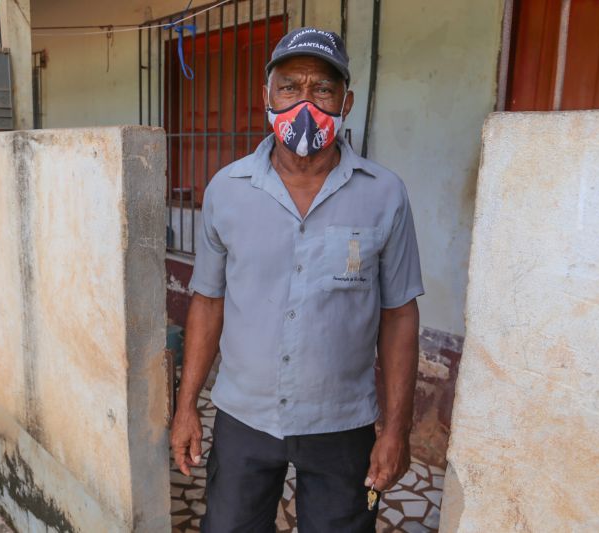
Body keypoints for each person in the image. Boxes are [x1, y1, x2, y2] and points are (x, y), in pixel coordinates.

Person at [170, 26, 424, 532]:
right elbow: (207, 302)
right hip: (245, 415)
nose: (304, 102)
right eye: (289, 86)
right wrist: (185, 407)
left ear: (345, 100)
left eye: (322, 88)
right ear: (267, 95)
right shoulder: (227, 190)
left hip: (342, 423)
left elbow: (399, 315)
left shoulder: (385, 195)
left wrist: (396, 428)